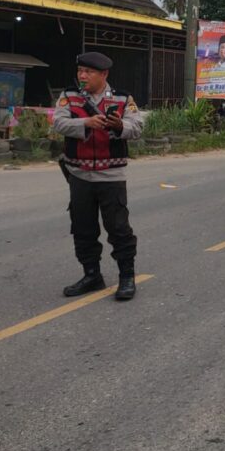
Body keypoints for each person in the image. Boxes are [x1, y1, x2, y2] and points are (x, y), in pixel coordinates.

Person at [52, 52, 143, 301]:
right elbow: (58, 123)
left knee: (118, 229)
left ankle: (127, 277)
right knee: (82, 228)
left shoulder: (123, 98)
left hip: (111, 175)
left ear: (104, 75)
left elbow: (137, 127)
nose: (82, 76)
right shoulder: (69, 96)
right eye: (80, 71)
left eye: (88, 72)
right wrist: (85, 123)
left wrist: (118, 126)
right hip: (78, 174)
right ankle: (92, 275)